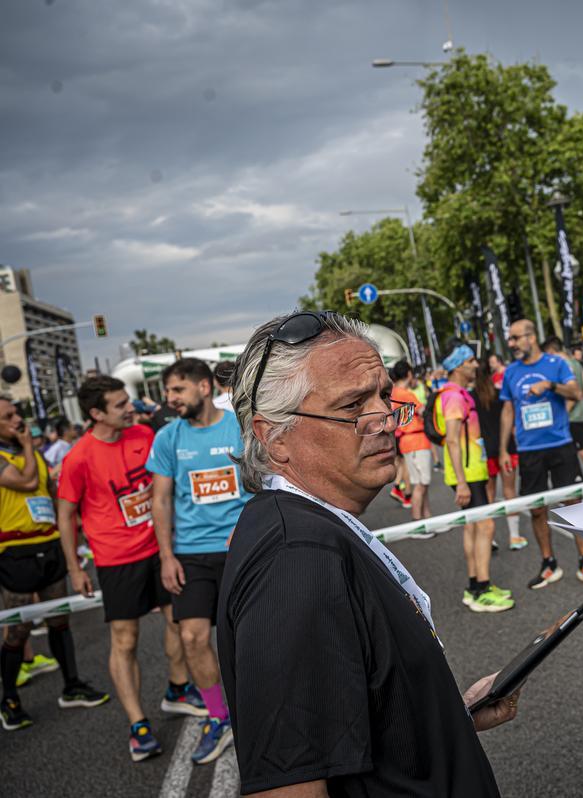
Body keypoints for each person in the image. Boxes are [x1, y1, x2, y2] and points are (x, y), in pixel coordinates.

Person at [218, 311, 514, 795]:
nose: (382, 420)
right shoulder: (297, 559)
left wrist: (445, 721)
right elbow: (290, 786)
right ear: (274, 437)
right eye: (353, 405)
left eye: (382, 396)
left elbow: (350, 717)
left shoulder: (312, 528)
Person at [57, 376, 205, 762]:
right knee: (125, 640)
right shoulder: (78, 457)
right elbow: (66, 513)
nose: (130, 407)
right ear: (96, 413)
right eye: (120, 403)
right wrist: (75, 568)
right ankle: (138, 724)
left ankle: (177, 688)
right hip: (116, 559)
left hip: (160, 549)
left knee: (180, 622)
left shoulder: (143, 434)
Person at [148, 358, 247, 764]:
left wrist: (249, 526)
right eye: (168, 392)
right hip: (191, 553)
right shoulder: (169, 437)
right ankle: (218, 717)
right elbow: (161, 498)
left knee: (246, 638)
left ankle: (257, 709)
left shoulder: (238, 426)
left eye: (177, 390)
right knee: (191, 637)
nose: (170, 400)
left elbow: (263, 478)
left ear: (204, 387)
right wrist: (166, 556)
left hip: (240, 547)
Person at [0, 398, 108, 731]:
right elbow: (27, 482)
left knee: (60, 619)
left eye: (17, 413)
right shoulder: (12, 455)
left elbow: (49, 491)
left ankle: (72, 685)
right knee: (18, 628)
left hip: (47, 545)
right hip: (14, 550)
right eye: (9, 416)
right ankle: (10, 700)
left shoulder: (33, 454)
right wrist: (28, 446)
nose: (19, 419)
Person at [499, 319, 583, 589]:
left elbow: (577, 392)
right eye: (510, 339)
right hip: (529, 449)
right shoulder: (511, 372)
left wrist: (549, 385)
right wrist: (502, 450)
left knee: (574, 504)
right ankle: (549, 563)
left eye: (515, 338)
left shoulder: (556, 364)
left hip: (560, 444)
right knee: (537, 510)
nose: (511, 343)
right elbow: (508, 410)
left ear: (531, 338)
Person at [432, 344, 512, 612]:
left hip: (472, 471)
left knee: (474, 527)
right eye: (471, 361)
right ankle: (482, 590)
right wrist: (463, 483)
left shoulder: (458, 393)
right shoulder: (454, 396)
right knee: (486, 527)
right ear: (458, 366)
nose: (476, 365)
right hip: (467, 474)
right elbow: (453, 441)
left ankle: (476, 585)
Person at [475, 352, 528, 551]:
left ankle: (491, 537)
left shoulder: (471, 398)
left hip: (485, 450)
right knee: (509, 492)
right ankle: (514, 536)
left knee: (488, 494)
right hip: (507, 447)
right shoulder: (500, 395)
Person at [543, 337, 583, 483]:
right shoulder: (576, 363)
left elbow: (571, 395)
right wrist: (581, 400)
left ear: (551, 351)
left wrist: (562, 415)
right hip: (581, 415)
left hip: (571, 417)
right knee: (578, 453)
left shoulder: (563, 365)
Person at [389, 361, 433, 520]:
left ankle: (427, 519)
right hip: (417, 440)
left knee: (420, 484)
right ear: (408, 373)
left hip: (407, 441)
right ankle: (418, 522)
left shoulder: (393, 392)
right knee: (422, 485)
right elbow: (423, 411)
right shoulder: (405, 394)